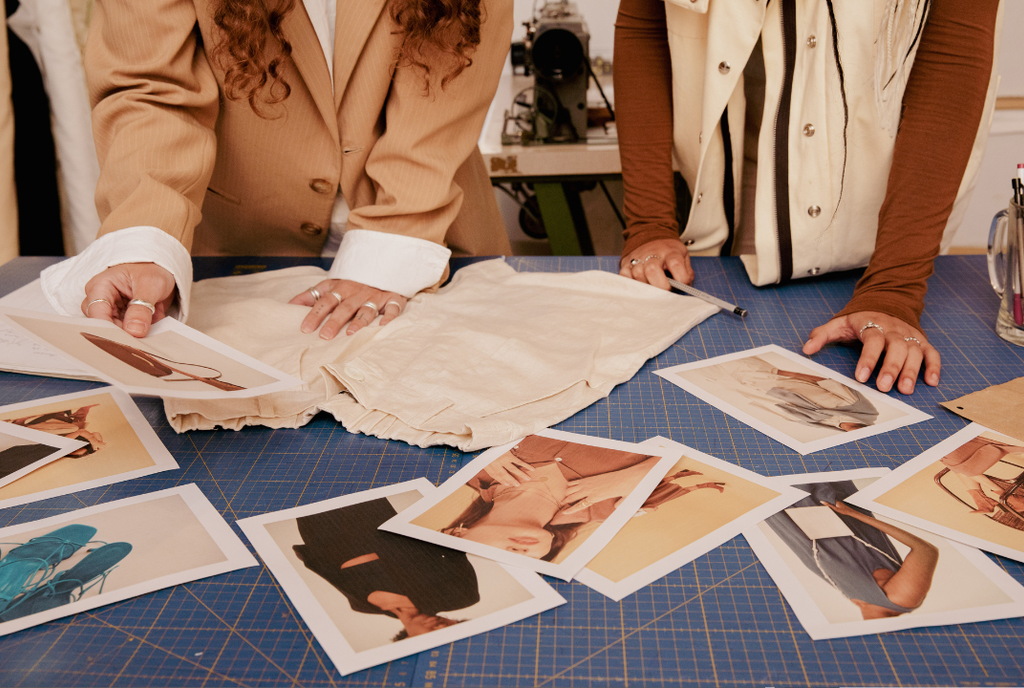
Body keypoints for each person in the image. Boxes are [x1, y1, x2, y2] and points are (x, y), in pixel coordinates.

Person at [40, 0, 512, 341]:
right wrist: (146, 239)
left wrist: (390, 250)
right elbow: (152, 89)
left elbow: (445, 83)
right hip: (236, 256)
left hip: (424, 232)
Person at [613, 0, 1000, 395]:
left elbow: (955, 50)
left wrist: (895, 287)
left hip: (891, 199)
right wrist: (649, 223)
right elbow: (645, 22)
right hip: (729, 179)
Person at [444, 434, 725, 561]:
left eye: (489, 558)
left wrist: (483, 441)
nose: (518, 556)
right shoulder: (613, 510)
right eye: (523, 565)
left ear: (456, 533)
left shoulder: (465, 468)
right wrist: (638, 475)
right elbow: (714, 452)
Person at [293, 498, 479, 642]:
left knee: (306, 489)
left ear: (408, 642)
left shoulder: (362, 607)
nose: (441, 628)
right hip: (373, 520)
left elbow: (329, 569)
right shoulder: (462, 595)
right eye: (453, 629)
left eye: (437, 638)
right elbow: (451, 546)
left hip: (320, 534)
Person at [765, 481, 939, 620]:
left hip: (795, 527)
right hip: (831, 513)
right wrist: (851, 513)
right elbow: (926, 550)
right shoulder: (903, 599)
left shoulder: (862, 605)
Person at [708, 355, 878, 433]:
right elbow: (824, 381)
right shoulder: (863, 409)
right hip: (766, 377)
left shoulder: (832, 429)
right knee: (720, 358)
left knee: (711, 374)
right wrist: (780, 372)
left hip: (748, 391)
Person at [938, 436, 1024, 516]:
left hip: (977, 440)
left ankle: (989, 499)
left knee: (951, 460)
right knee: (948, 458)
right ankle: (1002, 498)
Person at [8, 405, 106, 458]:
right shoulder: (75, 442)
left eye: (73, 451)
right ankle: (82, 410)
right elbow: (96, 433)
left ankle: (20, 423)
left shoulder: (62, 446)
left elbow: (81, 432)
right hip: (57, 428)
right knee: (75, 426)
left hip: (39, 431)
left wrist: (94, 441)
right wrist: (96, 447)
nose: (75, 448)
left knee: (75, 428)